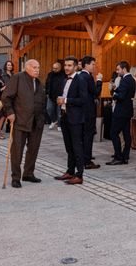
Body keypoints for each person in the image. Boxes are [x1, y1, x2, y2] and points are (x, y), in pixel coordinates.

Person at [2, 59, 46, 188]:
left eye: (38, 67)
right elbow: (6, 97)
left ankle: (28, 174)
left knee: (33, 149)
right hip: (20, 120)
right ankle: (15, 177)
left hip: (36, 122)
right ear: (27, 68)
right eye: (34, 67)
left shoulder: (38, 82)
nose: (37, 69)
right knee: (17, 151)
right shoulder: (18, 78)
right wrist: (9, 112)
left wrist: (43, 118)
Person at [53, 56, 88, 184]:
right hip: (65, 116)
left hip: (76, 118)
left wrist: (66, 101)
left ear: (75, 67)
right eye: (66, 65)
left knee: (77, 147)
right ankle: (70, 171)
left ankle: (79, 175)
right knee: (69, 147)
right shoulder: (64, 80)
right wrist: (60, 101)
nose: (67, 68)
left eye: (69, 65)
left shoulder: (81, 80)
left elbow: (84, 100)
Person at [107, 61, 136, 166]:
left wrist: (113, 94)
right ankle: (125, 156)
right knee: (126, 134)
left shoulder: (124, 80)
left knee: (113, 133)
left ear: (124, 69)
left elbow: (122, 96)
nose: (117, 71)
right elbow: (125, 92)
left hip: (121, 111)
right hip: (127, 110)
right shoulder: (132, 79)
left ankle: (118, 157)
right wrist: (116, 88)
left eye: (118, 69)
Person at [79, 56, 102, 169]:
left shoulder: (79, 76)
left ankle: (83, 157)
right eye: (93, 64)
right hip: (88, 111)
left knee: (83, 136)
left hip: (82, 111)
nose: (94, 66)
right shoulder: (87, 77)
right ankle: (87, 161)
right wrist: (99, 81)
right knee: (88, 136)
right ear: (86, 65)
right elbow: (96, 92)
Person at [45, 60, 65, 131]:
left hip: (60, 96)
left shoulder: (64, 74)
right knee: (49, 109)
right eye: (53, 68)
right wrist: (47, 92)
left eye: (56, 68)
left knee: (59, 112)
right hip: (51, 96)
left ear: (60, 68)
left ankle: (59, 125)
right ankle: (54, 121)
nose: (54, 70)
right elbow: (47, 83)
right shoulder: (50, 74)